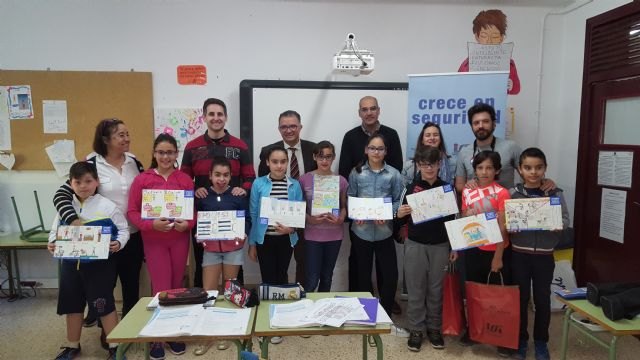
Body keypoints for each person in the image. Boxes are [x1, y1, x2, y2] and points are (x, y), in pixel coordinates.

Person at [53, 118, 145, 346]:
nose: (127, 138)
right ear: (106, 140)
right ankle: (108, 332)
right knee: (104, 287)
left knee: (131, 284)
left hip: (131, 234)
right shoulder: (92, 162)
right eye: (120, 135)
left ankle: (128, 331)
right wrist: (73, 221)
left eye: (127, 134)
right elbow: (62, 194)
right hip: (99, 239)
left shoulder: (135, 162)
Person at [48, 161, 129, 360]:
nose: (83, 186)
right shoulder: (65, 208)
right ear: (70, 183)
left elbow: (124, 229)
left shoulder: (107, 206)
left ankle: (115, 346)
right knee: (73, 306)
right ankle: (72, 345)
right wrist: (51, 242)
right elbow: (54, 230)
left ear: (96, 182)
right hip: (70, 267)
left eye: (88, 181)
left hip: (99, 268)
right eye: (78, 182)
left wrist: (118, 242)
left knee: (105, 306)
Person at [127, 133, 194, 360]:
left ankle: (173, 333)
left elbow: (192, 213)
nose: (165, 157)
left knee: (176, 285)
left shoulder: (184, 179)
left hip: (178, 240)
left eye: (170, 152)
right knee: (161, 288)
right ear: (154, 153)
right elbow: (132, 212)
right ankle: (157, 337)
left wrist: (188, 224)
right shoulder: (142, 180)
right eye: (161, 152)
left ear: (176, 154)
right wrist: (151, 224)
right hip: (154, 241)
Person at [181, 98, 255, 288]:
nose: (216, 118)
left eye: (220, 114)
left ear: (226, 117)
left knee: (236, 276)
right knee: (202, 267)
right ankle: (203, 308)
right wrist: (195, 190)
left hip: (232, 219)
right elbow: (183, 181)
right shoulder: (192, 147)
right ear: (204, 117)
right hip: (204, 218)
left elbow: (250, 178)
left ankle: (238, 309)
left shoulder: (240, 146)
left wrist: (242, 189)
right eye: (211, 114)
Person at [339, 96, 403, 314]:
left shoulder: (393, 170)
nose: (369, 113)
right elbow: (350, 189)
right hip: (362, 228)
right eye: (364, 109)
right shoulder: (356, 168)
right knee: (361, 270)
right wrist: (353, 213)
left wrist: (390, 213)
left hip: (385, 228)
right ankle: (363, 307)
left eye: (372, 108)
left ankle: (385, 306)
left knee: (388, 271)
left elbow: (398, 196)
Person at [509, 148, 570, 360]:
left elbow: (565, 221)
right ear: (520, 170)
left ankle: (541, 342)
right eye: (528, 168)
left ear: (545, 169)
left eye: (538, 167)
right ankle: (521, 340)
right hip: (519, 254)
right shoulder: (512, 194)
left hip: (544, 255)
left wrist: (556, 226)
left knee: (542, 299)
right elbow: (505, 222)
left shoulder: (555, 193)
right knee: (521, 298)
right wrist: (510, 227)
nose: (533, 172)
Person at [395, 147, 458, 352]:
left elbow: (453, 220)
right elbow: (399, 216)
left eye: (432, 164)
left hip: (440, 246)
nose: (428, 168)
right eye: (424, 164)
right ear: (418, 165)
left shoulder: (447, 188)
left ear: (439, 165)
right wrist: (400, 213)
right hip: (416, 245)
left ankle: (434, 328)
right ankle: (415, 329)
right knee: (415, 289)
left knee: (436, 289)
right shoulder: (410, 188)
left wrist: (453, 245)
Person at [347, 133, 407, 336]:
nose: (376, 152)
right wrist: (356, 215)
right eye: (372, 148)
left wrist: (389, 214)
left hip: (384, 232)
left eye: (380, 149)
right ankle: (366, 316)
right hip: (361, 232)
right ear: (366, 150)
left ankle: (386, 317)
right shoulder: (356, 173)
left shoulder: (394, 174)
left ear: (385, 152)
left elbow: (399, 200)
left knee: (389, 276)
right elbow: (351, 197)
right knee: (362, 276)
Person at [193, 157, 250, 356]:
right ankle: (207, 335)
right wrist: (198, 233)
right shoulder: (202, 196)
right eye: (217, 175)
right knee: (208, 291)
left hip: (233, 249)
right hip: (210, 251)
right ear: (209, 176)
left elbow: (247, 219)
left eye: (226, 175)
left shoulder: (237, 196)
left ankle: (227, 332)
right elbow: (195, 219)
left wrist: (244, 232)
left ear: (231, 177)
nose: (221, 179)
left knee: (230, 289)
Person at [459, 150, 512, 357]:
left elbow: (503, 227)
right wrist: (467, 214)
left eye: (489, 168)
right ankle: (475, 330)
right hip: (474, 249)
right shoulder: (467, 191)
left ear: (497, 170)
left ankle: (501, 336)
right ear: (475, 170)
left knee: (498, 297)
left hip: (495, 251)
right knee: (474, 293)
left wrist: (498, 256)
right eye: (480, 168)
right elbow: (464, 217)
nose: (484, 172)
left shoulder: (502, 193)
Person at [248, 146, 303, 345]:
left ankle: (280, 319)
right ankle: (267, 322)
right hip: (265, 240)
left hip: (286, 240)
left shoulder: (294, 185)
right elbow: (253, 214)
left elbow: (298, 213)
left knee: (281, 277)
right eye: (275, 162)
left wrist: (292, 229)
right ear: (267, 163)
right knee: (268, 278)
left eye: (283, 161)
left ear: (287, 163)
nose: (279, 166)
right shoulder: (259, 184)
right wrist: (253, 243)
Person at [258, 110, 316, 285]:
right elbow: (263, 187)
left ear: (300, 127)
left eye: (293, 126)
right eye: (284, 126)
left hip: (307, 215)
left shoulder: (313, 149)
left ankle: (300, 295)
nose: (289, 130)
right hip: (277, 220)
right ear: (279, 129)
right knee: (278, 266)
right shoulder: (268, 151)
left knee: (304, 261)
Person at [298, 141, 347, 292]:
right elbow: (299, 208)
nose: (324, 161)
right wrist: (309, 218)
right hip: (312, 236)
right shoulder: (304, 179)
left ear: (333, 158)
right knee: (312, 278)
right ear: (314, 157)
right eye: (320, 157)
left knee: (327, 276)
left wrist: (341, 218)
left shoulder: (341, 181)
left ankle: (322, 308)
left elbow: (344, 207)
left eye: (328, 157)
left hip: (334, 235)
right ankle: (307, 308)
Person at [455, 103, 523, 194]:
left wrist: (544, 182)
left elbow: (530, 175)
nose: (480, 126)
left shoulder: (511, 147)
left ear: (494, 124)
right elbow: (459, 186)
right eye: (476, 123)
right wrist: (468, 185)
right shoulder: (464, 152)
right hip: (476, 206)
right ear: (471, 127)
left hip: (505, 205)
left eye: (485, 121)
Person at [458, 9, 521, 95]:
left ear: (501, 38)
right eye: (484, 36)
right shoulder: (468, 63)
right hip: (474, 104)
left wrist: (511, 85)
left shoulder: (508, 63)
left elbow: (516, 90)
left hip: (497, 105)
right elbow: (457, 84)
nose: (489, 41)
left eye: (494, 36)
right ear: (477, 37)